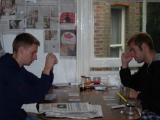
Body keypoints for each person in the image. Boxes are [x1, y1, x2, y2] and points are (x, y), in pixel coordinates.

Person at [0, 33, 58, 120]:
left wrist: (50, 68)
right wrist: (47, 68)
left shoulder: (15, 65)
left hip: (18, 114)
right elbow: (36, 95)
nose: (35, 57)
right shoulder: (6, 70)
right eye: (33, 52)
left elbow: (39, 84)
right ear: (21, 50)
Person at [119, 32, 160, 120]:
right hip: (149, 111)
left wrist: (139, 96)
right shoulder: (147, 66)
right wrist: (125, 64)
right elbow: (130, 83)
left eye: (133, 50)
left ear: (144, 46)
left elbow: (157, 103)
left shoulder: (157, 67)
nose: (132, 54)